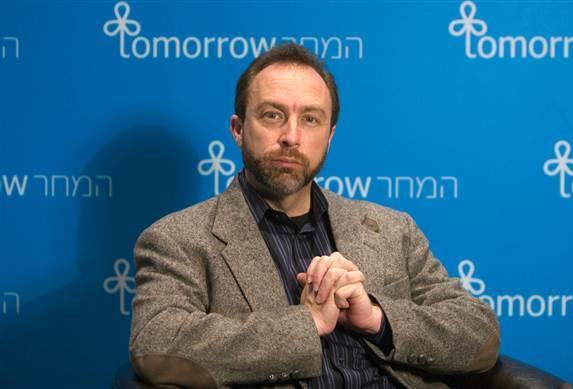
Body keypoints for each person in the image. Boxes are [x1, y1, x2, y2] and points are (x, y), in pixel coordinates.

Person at [129, 43, 500, 389]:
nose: (291, 136)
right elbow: (156, 342)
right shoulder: (178, 239)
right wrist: (305, 324)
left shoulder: (391, 229)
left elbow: (480, 335)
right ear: (238, 130)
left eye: (310, 119)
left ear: (330, 135)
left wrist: (377, 319)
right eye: (272, 115)